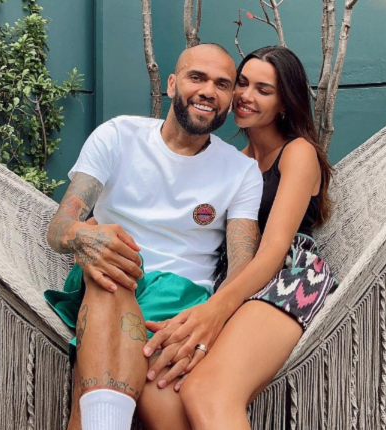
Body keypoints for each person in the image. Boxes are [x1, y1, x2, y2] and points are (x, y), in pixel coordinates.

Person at [44, 43, 263, 430]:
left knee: (114, 394)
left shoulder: (241, 172)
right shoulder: (117, 136)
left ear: (230, 100)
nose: (208, 91)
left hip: (179, 307)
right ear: (172, 84)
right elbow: (60, 228)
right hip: (108, 276)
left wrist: (210, 322)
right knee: (114, 267)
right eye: (197, 78)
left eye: (222, 84)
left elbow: (241, 272)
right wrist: (85, 237)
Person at [139, 46, 337, 430]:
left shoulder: (298, 153)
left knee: (206, 392)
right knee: (157, 384)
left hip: (288, 277)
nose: (246, 95)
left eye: (264, 89)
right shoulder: (232, 160)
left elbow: (274, 248)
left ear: (284, 102)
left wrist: (215, 310)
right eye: (242, 84)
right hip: (228, 279)